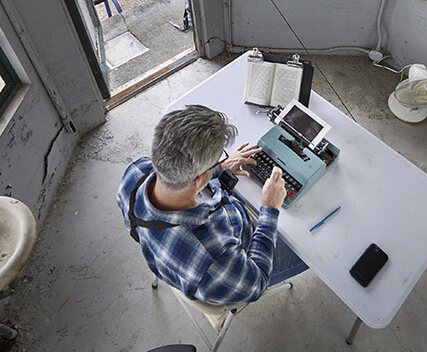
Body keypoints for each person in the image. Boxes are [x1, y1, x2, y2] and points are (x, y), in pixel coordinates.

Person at [116, 105, 308, 305]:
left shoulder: (135, 172)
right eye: (217, 159)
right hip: (237, 266)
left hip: (181, 255)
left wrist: (219, 169)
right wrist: (269, 208)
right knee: (315, 251)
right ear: (199, 180)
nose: (220, 161)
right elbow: (256, 283)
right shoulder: (213, 259)